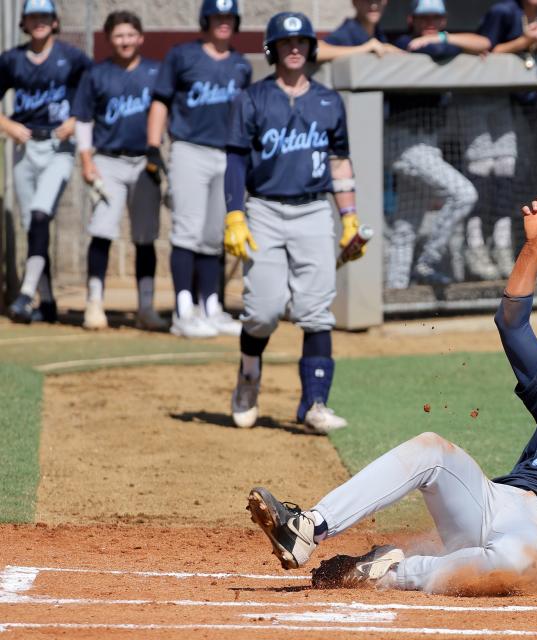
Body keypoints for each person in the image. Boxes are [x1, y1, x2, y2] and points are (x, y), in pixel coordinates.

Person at [246, 196, 537, 595]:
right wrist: (535, 246)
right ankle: (308, 526)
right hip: (493, 500)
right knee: (431, 449)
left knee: (511, 568)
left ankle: (388, 570)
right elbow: (511, 324)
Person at [225, 12, 363, 435]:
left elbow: (339, 161)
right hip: (264, 209)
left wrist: (349, 216)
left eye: (302, 40)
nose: (295, 47)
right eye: (286, 42)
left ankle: (314, 404)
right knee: (263, 311)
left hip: (312, 210)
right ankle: (249, 377)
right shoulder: (252, 98)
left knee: (316, 311)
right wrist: (235, 212)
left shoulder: (328, 100)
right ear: (273, 49)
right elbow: (235, 159)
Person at [145, 0, 251, 338]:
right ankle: (183, 309)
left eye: (229, 16)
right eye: (217, 16)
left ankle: (212, 307)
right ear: (205, 19)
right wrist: (153, 145)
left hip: (227, 154)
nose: (224, 22)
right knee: (187, 231)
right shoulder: (182, 56)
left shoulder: (241, 64)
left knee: (213, 237)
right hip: (189, 148)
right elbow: (161, 100)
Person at [72, 11, 167, 332]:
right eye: (118, 36)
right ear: (109, 39)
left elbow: (167, 109)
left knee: (145, 237)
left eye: (130, 35)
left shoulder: (156, 71)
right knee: (102, 232)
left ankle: (145, 306)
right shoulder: (97, 74)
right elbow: (83, 119)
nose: (125, 41)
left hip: (144, 162)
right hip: (108, 160)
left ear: (140, 37)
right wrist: (87, 161)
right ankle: (94, 302)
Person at [460, 0, 537, 281]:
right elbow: (486, 50)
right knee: (481, 176)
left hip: (508, 104)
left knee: (507, 173)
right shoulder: (502, 11)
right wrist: (525, 41)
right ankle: (474, 246)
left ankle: (503, 245)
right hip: (476, 99)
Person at [384, 0, 486, 288]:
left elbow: (483, 43)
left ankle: (396, 289)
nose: (429, 21)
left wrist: (445, 39)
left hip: (428, 142)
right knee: (464, 193)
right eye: (423, 16)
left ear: (444, 21)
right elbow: (434, 50)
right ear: (411, 19)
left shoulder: (445, 38)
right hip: (404, 141)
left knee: (406, 224)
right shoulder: (404, 41)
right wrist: (441, 43)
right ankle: (427, 261)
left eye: (435, 17)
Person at [0, 0, 90, 324]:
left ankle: (25, 295)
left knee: (40, 213)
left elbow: (92, 91)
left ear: (55, 21)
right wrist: (7, 125)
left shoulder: (73, 57)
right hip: (25, 146)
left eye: (44, 16)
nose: (39, 21)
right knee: (33, 225)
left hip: (58, 146)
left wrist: (77, 118)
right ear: (24, 22)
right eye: (33, 16)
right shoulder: (11, 60)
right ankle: (48, 303)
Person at [317, 0, 403, 62]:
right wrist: (364, 49)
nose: (374, 6)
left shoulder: (380, 34)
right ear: (354, 2)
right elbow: (316, 51)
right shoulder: (347, 32)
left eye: (378, 0)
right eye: (367, 0)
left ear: (385, 1)